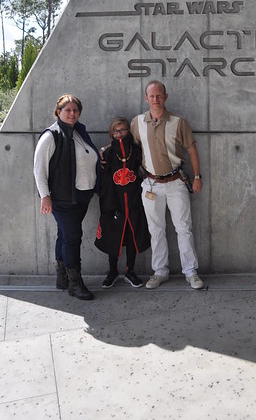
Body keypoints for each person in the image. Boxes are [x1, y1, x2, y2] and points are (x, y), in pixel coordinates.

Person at [130, 80, 204, 290]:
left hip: (176, 183)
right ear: (146, 98)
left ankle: (191, 272)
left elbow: (191, 150)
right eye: (152, 96)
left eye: (159, 95)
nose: (156, 99)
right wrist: (105, 150)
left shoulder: (179, 122)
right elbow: (128, 147)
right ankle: (160, 272)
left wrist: (197, 177)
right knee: (156, 230)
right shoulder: (137, 122)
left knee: (184, 228)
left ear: (166, 96)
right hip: (151, 184)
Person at [33, 94, 99, 301]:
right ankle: (74, 284)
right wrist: (45, 196)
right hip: (63, 199)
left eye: (75, 110)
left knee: (64, 235)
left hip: (82, 195)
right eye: (68, 110)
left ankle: (62, 278)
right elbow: (39, 169)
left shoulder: (79, 130)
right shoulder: (51, 136)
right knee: (72, 238)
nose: (72, 113)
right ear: (58, 111)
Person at [95, 117, 150, 288]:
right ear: (111, 133)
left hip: (134, 201)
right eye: (116, 131)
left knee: (132, 235)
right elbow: (104, 182)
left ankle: (130, 271)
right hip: (113, 203)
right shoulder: (108, 154)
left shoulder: (137, 151)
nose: (120, 134)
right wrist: (109, 205)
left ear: (129, 131)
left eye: (123, 130)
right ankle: (112, 271)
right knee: (113, 236)